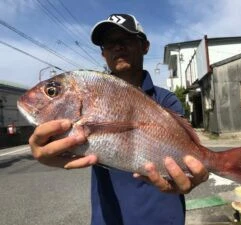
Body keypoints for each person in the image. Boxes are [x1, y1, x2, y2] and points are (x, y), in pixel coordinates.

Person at [29, 14, 208, 225]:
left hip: (163, 218)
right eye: (109, 43)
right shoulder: (91, 96)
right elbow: (70, 145)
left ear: (145, 46)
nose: (117, 47)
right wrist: (45, 151)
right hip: (108, 218)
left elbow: (188, 156)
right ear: (103, 53)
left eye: (126, 39)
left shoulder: (165, 100)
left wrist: (199, 172)